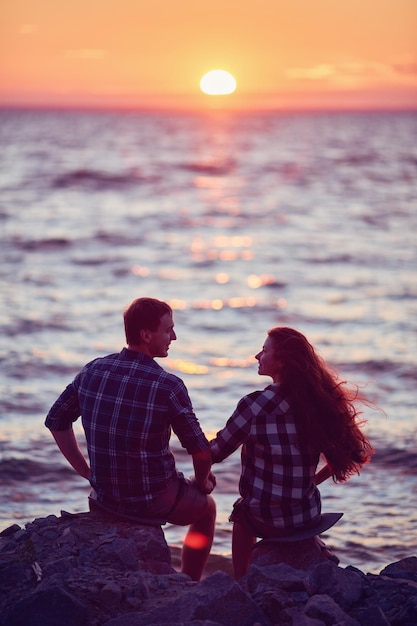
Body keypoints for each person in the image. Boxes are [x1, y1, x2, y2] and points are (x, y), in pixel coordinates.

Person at [45, 297, 216, 581]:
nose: (174, 336)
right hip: (151, 500)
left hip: (103, 499)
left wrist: (87, 472)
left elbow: (56, 421)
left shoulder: (92, 370)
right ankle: (191, 582)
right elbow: (201, 452)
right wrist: (201, 482)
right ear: (146, 335)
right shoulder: (168, 385)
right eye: (168, 330)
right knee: (207, 509)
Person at [210, 326, 374, 579]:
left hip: (266, 520)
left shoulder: (254, 405)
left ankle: (242, 582)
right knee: (294, 503)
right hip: (306, 515)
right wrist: (309, 481)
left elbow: (216, 453)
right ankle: (315, 547)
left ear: (282, 361)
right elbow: (347, 454)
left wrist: (190, 437)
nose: (257, 356)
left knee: (241, 513)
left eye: (264, 351)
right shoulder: (317, 402)